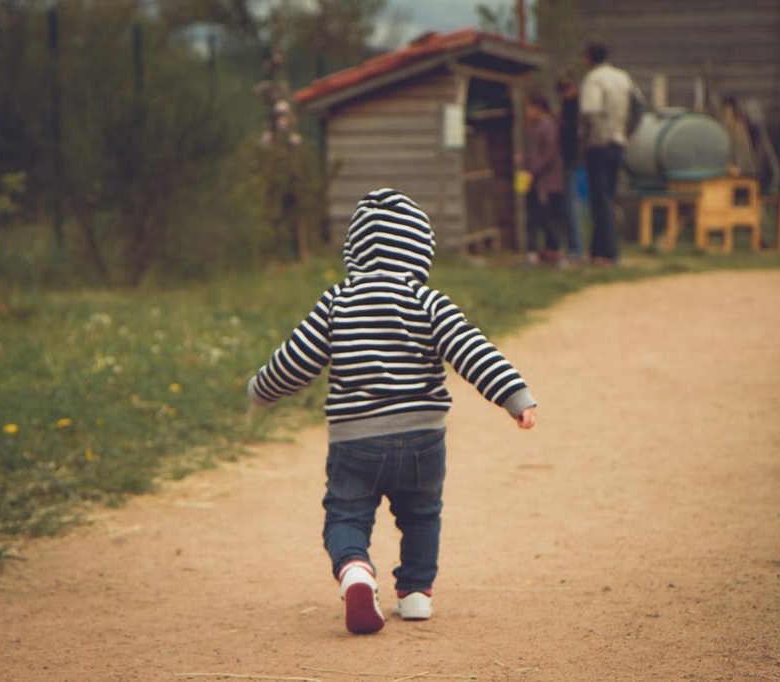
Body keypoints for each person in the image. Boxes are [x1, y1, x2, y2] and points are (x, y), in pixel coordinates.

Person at [247, 188, 538, 635]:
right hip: (422, 440)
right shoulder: (427, 301)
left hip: (355, 443)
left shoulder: (337, 301)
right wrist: (514, 395)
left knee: (346, 516)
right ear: (421, 248)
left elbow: (295, 359)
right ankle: (416, 593)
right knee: (421, 515)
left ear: (355, 249)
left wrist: (262, 390)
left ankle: (355, 571)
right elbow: (471, 350)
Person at [579, 41, 639, 265]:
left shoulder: (593, 79)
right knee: (607, 196)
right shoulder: (622, 77)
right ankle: (597, 251)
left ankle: (609, 252)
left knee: (600, 200)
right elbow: (638, 107)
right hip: (618, 142)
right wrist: (628, 135)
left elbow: (590, 111)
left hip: (599, 145)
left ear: (589, 57)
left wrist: (589, 139)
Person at [522, 93, 566, 266]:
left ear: (538, 108)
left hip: (547, 182)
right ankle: (534, 252)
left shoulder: (548, 126)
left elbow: (549, 153)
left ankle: (555, 253)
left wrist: (533, 169)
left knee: (548, 219)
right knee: (533, 217)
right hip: (537, 181)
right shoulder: (537, 126)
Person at [557, 74, 587, 265]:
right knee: (567, 204)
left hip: (570, 160)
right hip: (569, 160)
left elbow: (572, 137)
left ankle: (576, 248)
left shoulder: (574, 107)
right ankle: (572, 246)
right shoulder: (570, 106)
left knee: (570, 204)